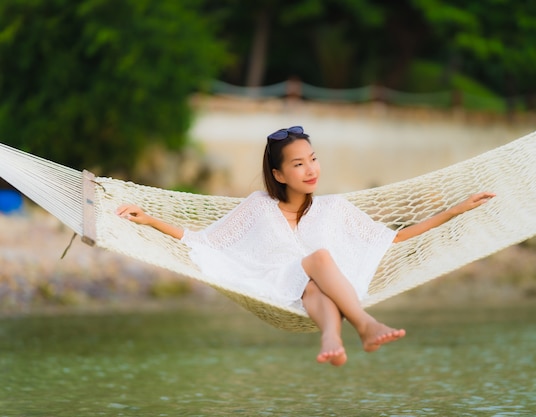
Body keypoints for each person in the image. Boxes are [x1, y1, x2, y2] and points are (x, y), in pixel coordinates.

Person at [116, 126, 495, 367]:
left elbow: (390, 238)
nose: (311, 169)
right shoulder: (257, 208)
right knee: (317, 259)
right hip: (273, 285)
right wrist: (149, 219)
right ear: (279, 174)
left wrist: (457, 209)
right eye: (298, 164)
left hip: (327, 289)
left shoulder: (334, 209)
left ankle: (332, 338)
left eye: (313, 159)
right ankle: (364, 324)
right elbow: (204, 241)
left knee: (315, 275)